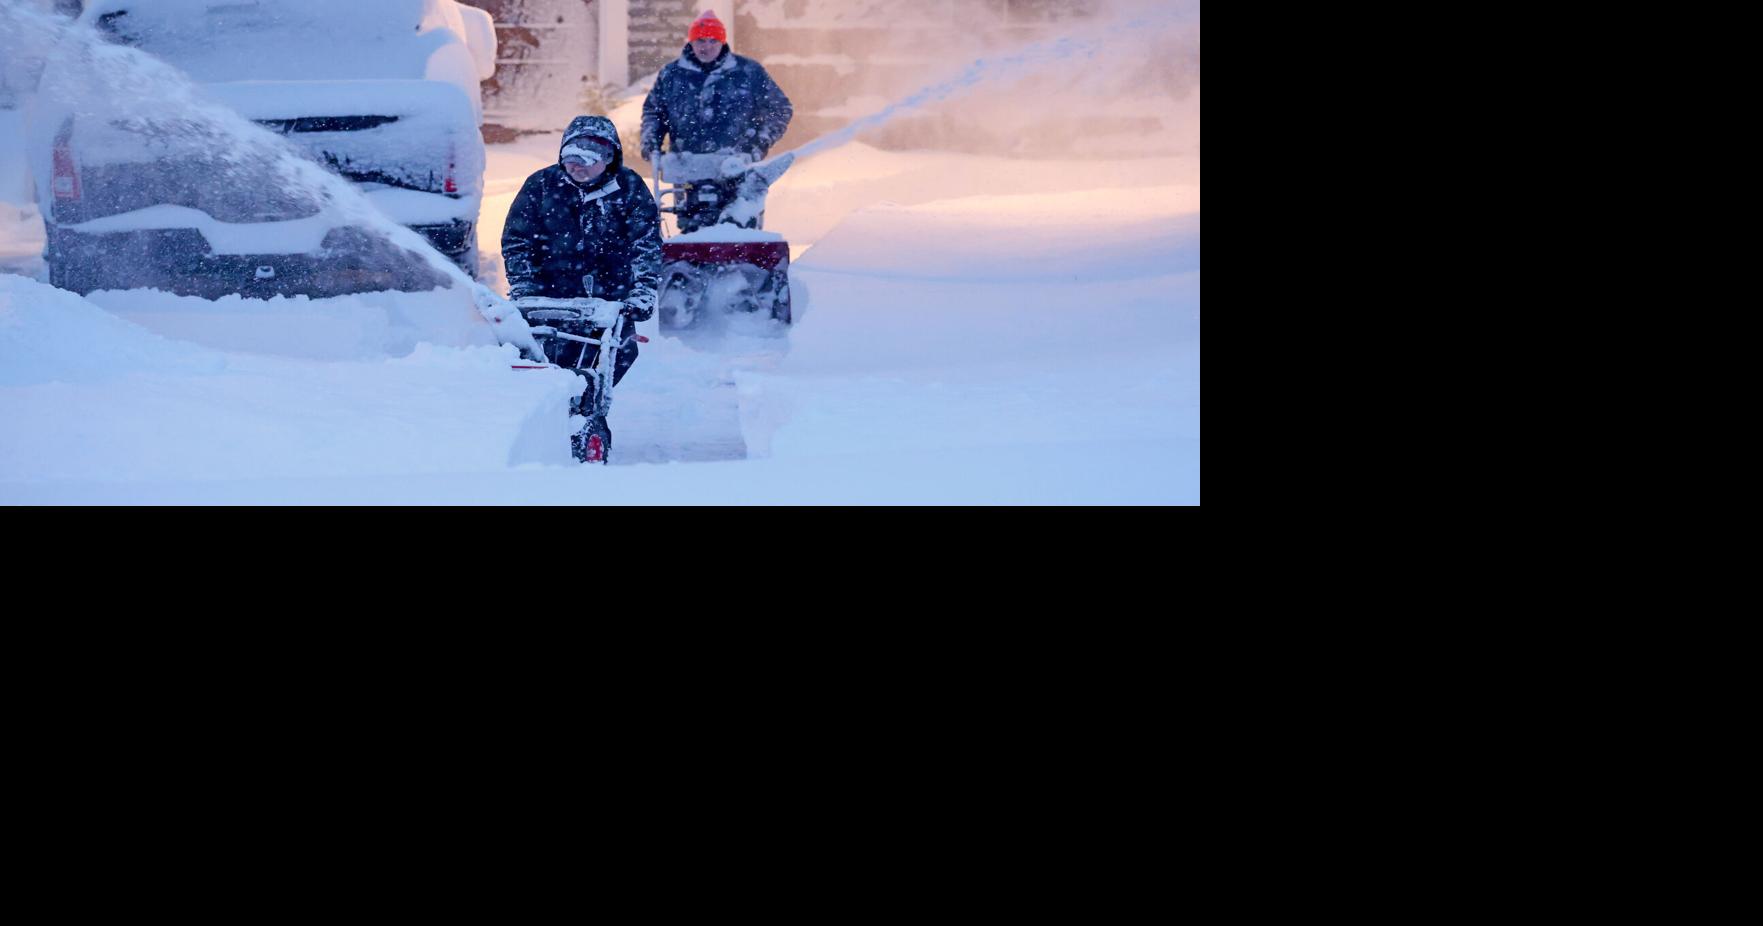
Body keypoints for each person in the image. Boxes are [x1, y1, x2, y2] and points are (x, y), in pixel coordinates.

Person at [502, 115, 661, 462]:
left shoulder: (629, 189)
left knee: (620, 353)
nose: (577, 166)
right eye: (570, 157)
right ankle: (547, 417)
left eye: (587, 159)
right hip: (548, 296)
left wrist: (642, 291)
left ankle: (587, 410)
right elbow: (517, 240)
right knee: (548, 361)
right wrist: (524, 285)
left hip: (609, 299)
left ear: (609, 158)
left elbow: (646, 246)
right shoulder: (541, 186)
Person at [640, 10, 793, 232]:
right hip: (688, 166)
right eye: (700, 41)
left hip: (737, 163)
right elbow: (653, 112)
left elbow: (779, 109)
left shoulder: (747, 72)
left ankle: (740, 248)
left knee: (739, 226)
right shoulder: (672, 75)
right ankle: (692, 249)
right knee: (693, 229)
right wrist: (651, 143)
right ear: (691, 42)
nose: (707, 47)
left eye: (713, 41)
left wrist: (758, 143)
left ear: (722, 42)